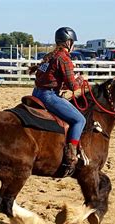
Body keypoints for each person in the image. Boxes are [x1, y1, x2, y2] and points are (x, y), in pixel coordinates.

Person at [29, 27, 86, 172]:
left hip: (36, 93)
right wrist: (81, 79)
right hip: (49, 96)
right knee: (80, 120)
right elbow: (73, 86)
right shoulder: (64, 58)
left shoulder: (50, 56)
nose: (74, 45)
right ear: (68, 42)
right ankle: (71, 153)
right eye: (73, 42)